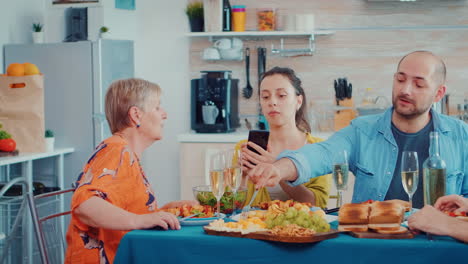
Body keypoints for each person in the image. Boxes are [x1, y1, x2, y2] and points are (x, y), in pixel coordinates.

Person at [247, 51, 468, 208]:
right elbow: (322, 153)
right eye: (400, 80)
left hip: (441, 248)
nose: (405, 90)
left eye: (419, 84)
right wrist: (280, 168)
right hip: (373, 244)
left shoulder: (461, 136)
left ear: (439, 93)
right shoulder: (361, 131)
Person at [65, 78, 197, 263]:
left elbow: (127, 210)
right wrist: (140, 221)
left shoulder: (127, 154)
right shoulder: (116, 150)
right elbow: (84, 205)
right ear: (136, 115)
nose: (164, 114)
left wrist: (170, 209)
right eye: (158, 107)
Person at [236, 67, 331, 208]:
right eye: (265, 97)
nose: (272, 102)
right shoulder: (245, 149)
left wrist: (278, 170)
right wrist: (242, 179)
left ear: (298, 101)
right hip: (255, 228)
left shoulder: (318, 148)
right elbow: (232, 208)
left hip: (300, 230)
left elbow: (317, 204)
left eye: (281, 95)